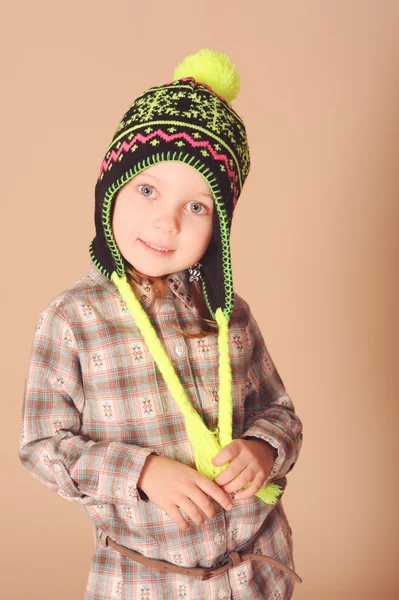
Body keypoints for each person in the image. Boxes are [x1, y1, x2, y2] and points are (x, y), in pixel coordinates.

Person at [19, 48, 304, 599]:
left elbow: (281, 411)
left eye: (196, 207)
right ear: (112, 190)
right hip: (148, 580)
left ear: (219, 226)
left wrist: (264, 449)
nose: (165, 221)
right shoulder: (73, 318)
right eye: (147, 190)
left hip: (256, 572)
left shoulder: (230, 313)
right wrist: (142, 472)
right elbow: (42, 445)